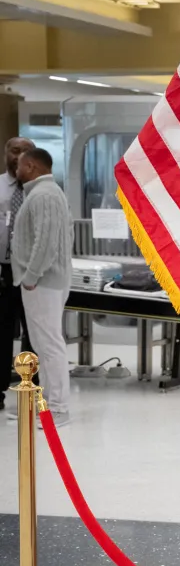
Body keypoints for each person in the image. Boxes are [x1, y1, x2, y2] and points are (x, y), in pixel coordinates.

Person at [9, 147, 72, 427]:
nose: (16, 170)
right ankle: (49, 406)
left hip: (43, 282)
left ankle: (58, 409)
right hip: (42, 282)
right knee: (44, 345)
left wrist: (31, 276)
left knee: (49, 345)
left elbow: (44, 241)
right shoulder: (42, 193)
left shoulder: (44, 195)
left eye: (20, 165)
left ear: (32, 166)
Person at [1, 136, 35, 406]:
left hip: (31, 272)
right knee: (1, 331)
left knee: (33, 332)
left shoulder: (40, 190)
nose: (19, 156)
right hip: (2, 269)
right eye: (15, 151)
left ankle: (30, 386)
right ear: (6, 153)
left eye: (26, 152)